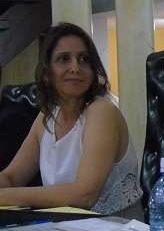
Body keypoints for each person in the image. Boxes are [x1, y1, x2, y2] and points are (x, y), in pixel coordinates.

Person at [0, 22, 142, 215]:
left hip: (115, 228)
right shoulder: (47, 116)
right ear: (47, 73)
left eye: (84, 59)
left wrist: (5, 197)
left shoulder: (102, 111)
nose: (75, 67)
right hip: (63, 228)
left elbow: (84, 195)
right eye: (64, 59)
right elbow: (11, 178)